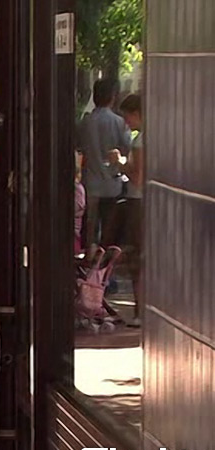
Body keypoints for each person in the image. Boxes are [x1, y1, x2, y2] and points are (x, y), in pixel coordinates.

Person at [77, 78, 132, 248]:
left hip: (91, 182)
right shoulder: (119, 122)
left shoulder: (85, 122)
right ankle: (105, 255)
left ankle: (90, 253)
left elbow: (79, 147)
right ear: (113, 97)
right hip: (112, 183)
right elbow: (128, 147)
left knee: (90, 227)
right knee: (109, 228)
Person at [107, 93, 143, 326]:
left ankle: (140, 310)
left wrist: (120, 162)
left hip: (138, 202)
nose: (126, 123)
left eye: (127, 117)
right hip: (143, 201)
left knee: (136, 257)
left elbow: (137, 177)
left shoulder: (140, 142)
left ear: (137, 114)